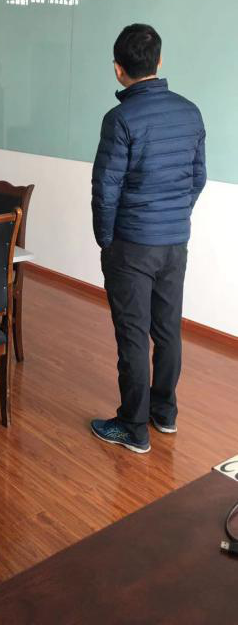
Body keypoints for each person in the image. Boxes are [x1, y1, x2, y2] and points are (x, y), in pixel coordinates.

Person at [91, 24, 206, 454]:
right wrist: (175, 216)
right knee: (168, 329)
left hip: (132, 245)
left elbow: (106, 189)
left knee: (134, 335)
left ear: (118, 69)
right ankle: (165, 413)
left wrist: (106, 239)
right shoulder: (190, 113)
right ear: (159, 61)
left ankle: (133, 428)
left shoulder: (120, 119)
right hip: (175, 243)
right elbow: (198, 177)